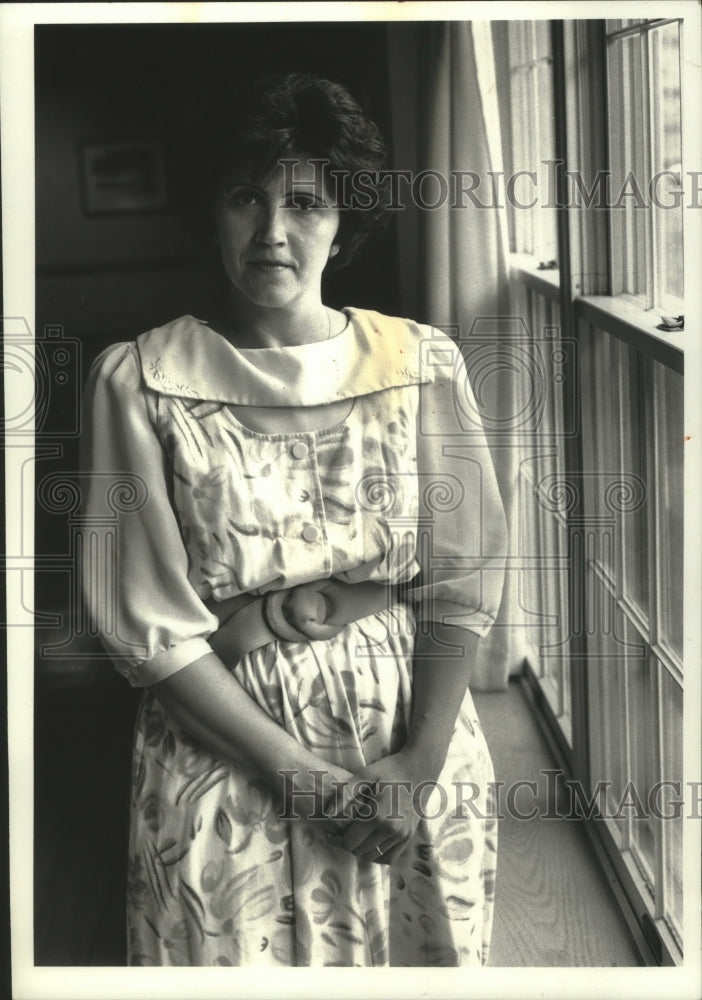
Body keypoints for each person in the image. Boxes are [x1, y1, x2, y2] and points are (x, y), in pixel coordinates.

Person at [81, 73, 507, 967]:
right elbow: (147, 630)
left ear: (344, 222)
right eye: (245, 197)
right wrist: (300, 777)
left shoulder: (418, 362)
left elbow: (461, 578)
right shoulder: (141, 379)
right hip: (225, 755)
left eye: (305, 203)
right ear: (213, 212)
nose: (273, 230)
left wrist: (421, 762)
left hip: (409, 742)